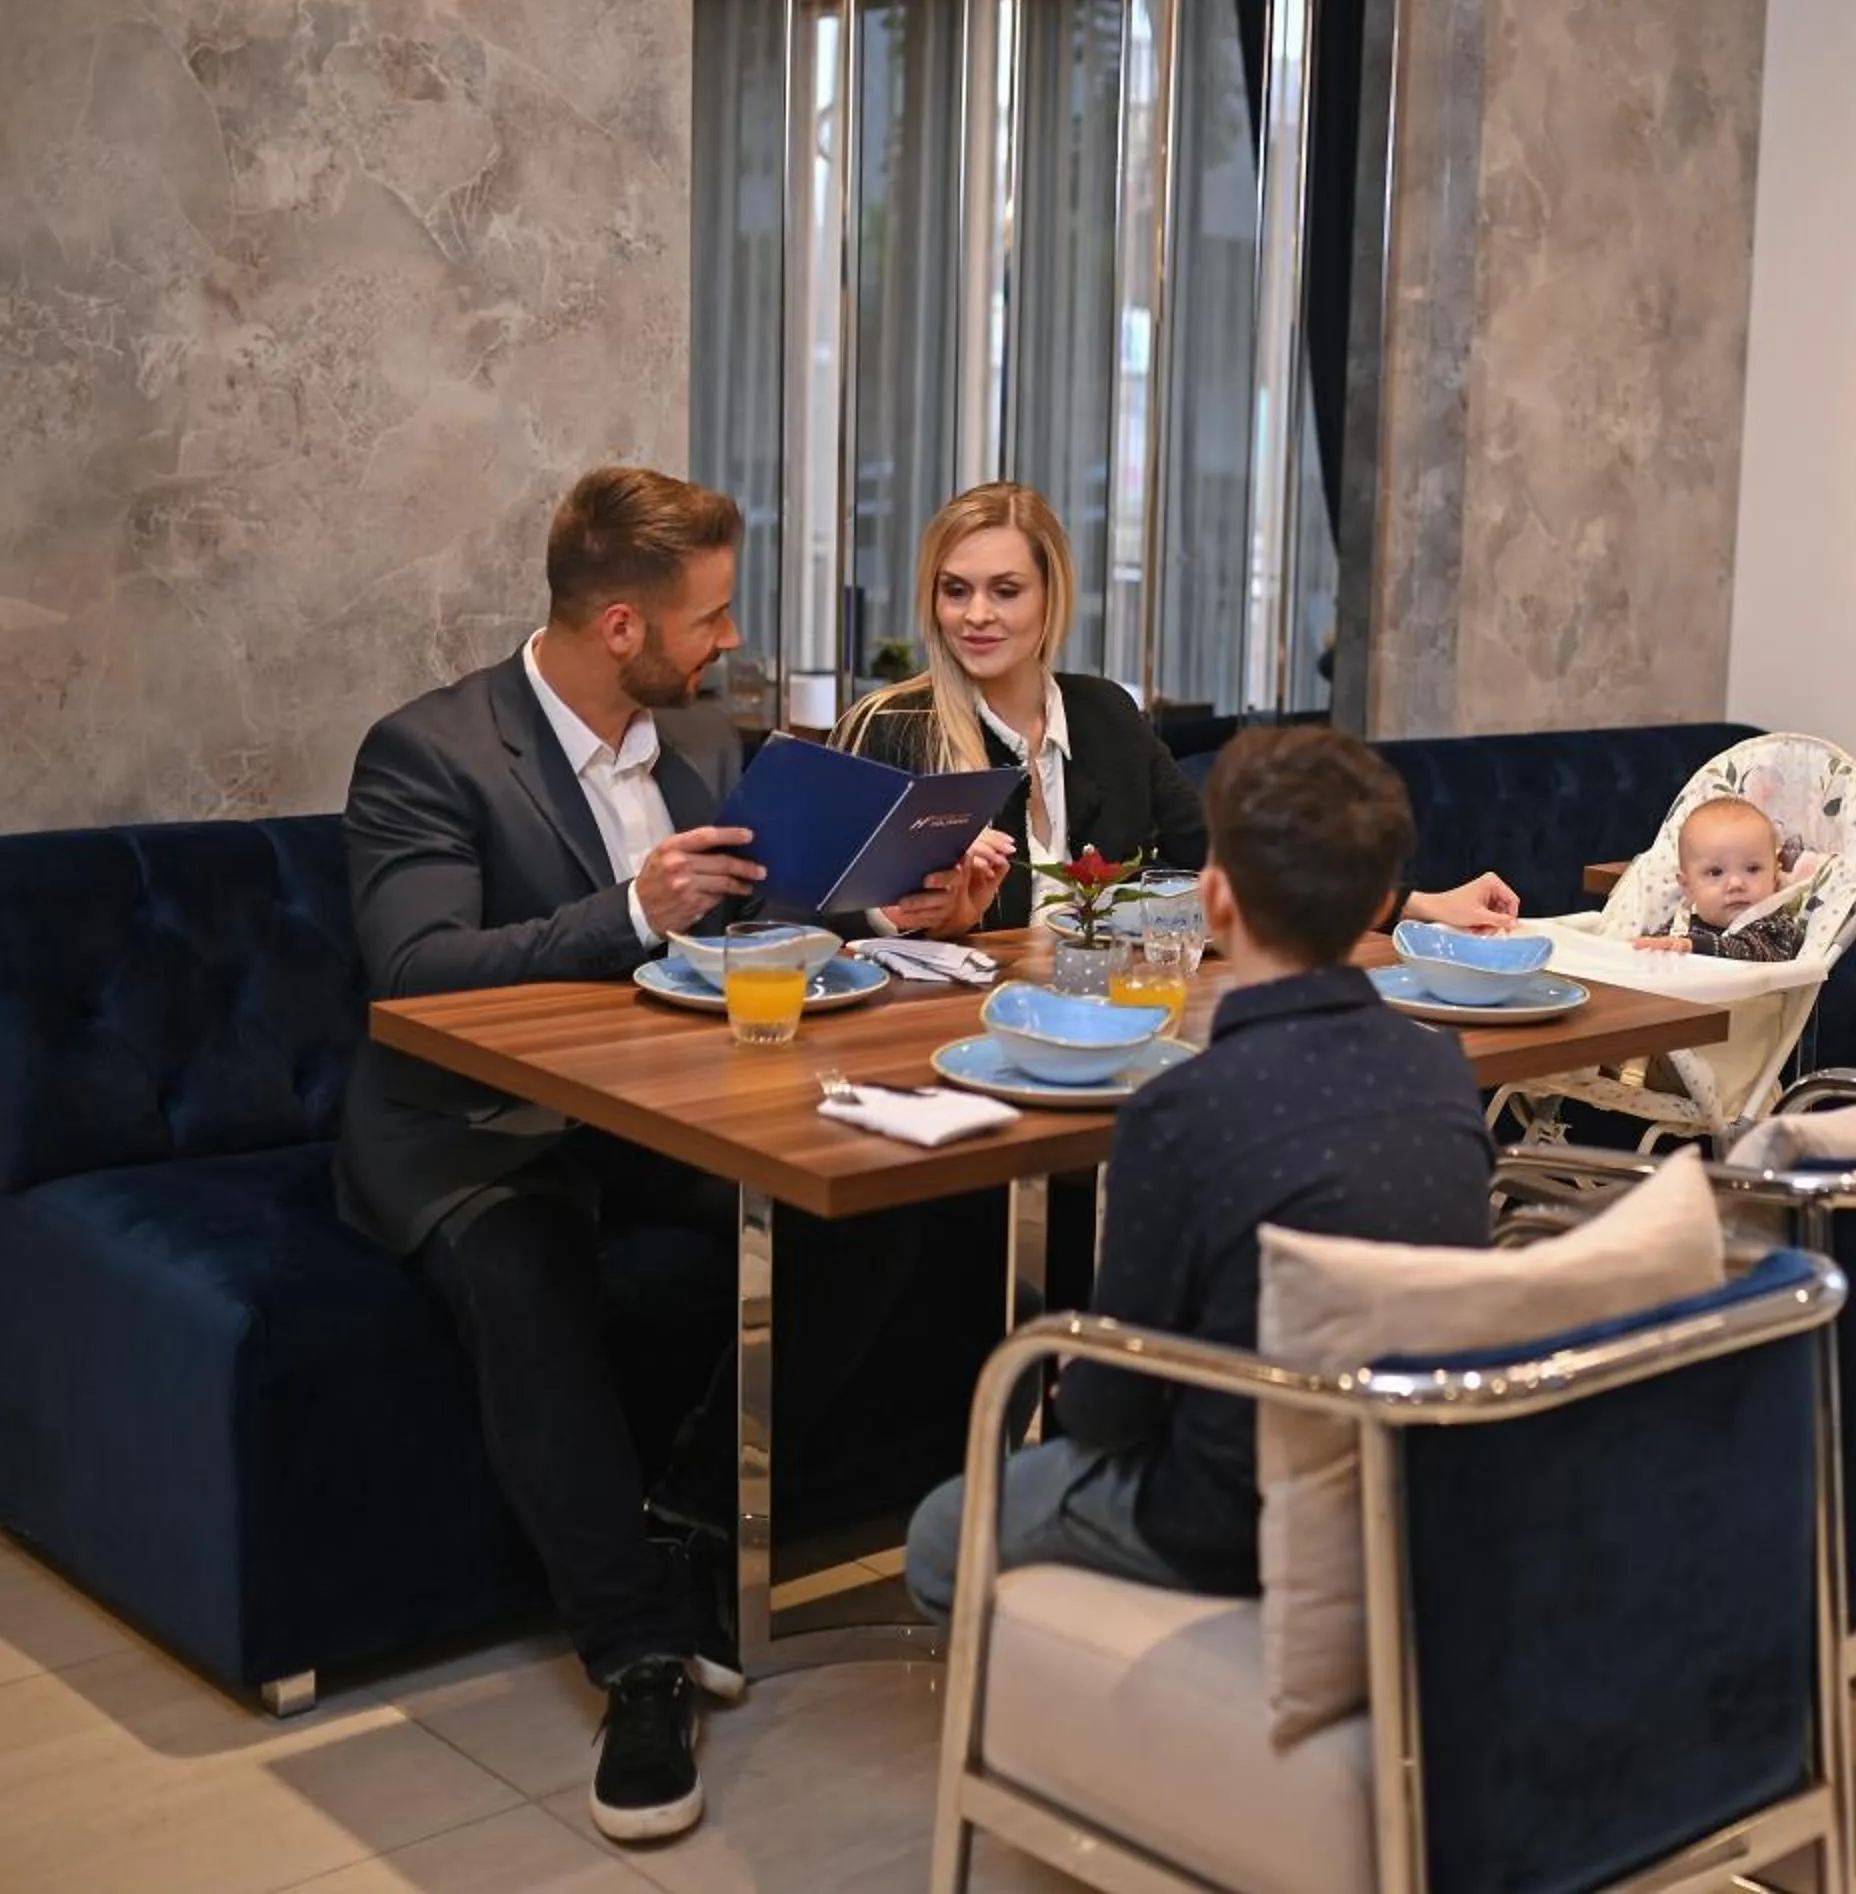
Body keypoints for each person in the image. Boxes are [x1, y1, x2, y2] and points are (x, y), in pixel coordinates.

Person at [335, 466, 1005, 1847]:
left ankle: (694, 1523)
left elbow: (756, 922)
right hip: (475, 1128)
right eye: (710, 616)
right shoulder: (429, 752)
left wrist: (890, 909)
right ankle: (640, 1656)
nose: (731, 639)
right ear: (623, 625)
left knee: (874, 1203)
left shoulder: (698, 732)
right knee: (525, 1273)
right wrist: (632, 908)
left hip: (664, 1111)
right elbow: (414, 971)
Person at [902, 726, 1495, 1617]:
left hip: (1222, 1520)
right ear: (1381, 899)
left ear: (1214, 899)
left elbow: (1112, 1412)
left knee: (940, 1536)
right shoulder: (1444, 1069)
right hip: (1416, 1488)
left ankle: (1096, 1678)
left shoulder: (1180, 1109)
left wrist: (1084, 1389)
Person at [833, 481, 1521, 936]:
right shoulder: (891, 727)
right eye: (955, 590)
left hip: (1112, 1028)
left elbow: (1229, 859)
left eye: (1005, 591)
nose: (976, 615)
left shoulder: (1105, 714)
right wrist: (907, 918)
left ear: (1051, 597)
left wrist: (1416, 906)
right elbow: (809, 917)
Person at [1632, 797, 1808, 962]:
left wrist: (1695, 947)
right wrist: (1647, 950)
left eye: (1752, 869)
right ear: (1688, 887)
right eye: (1715, 872)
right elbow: (1653, 951)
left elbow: (1755, 953)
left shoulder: (1775, 929)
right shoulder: (1681, 926)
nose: (1736, 884)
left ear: (1774, 877)